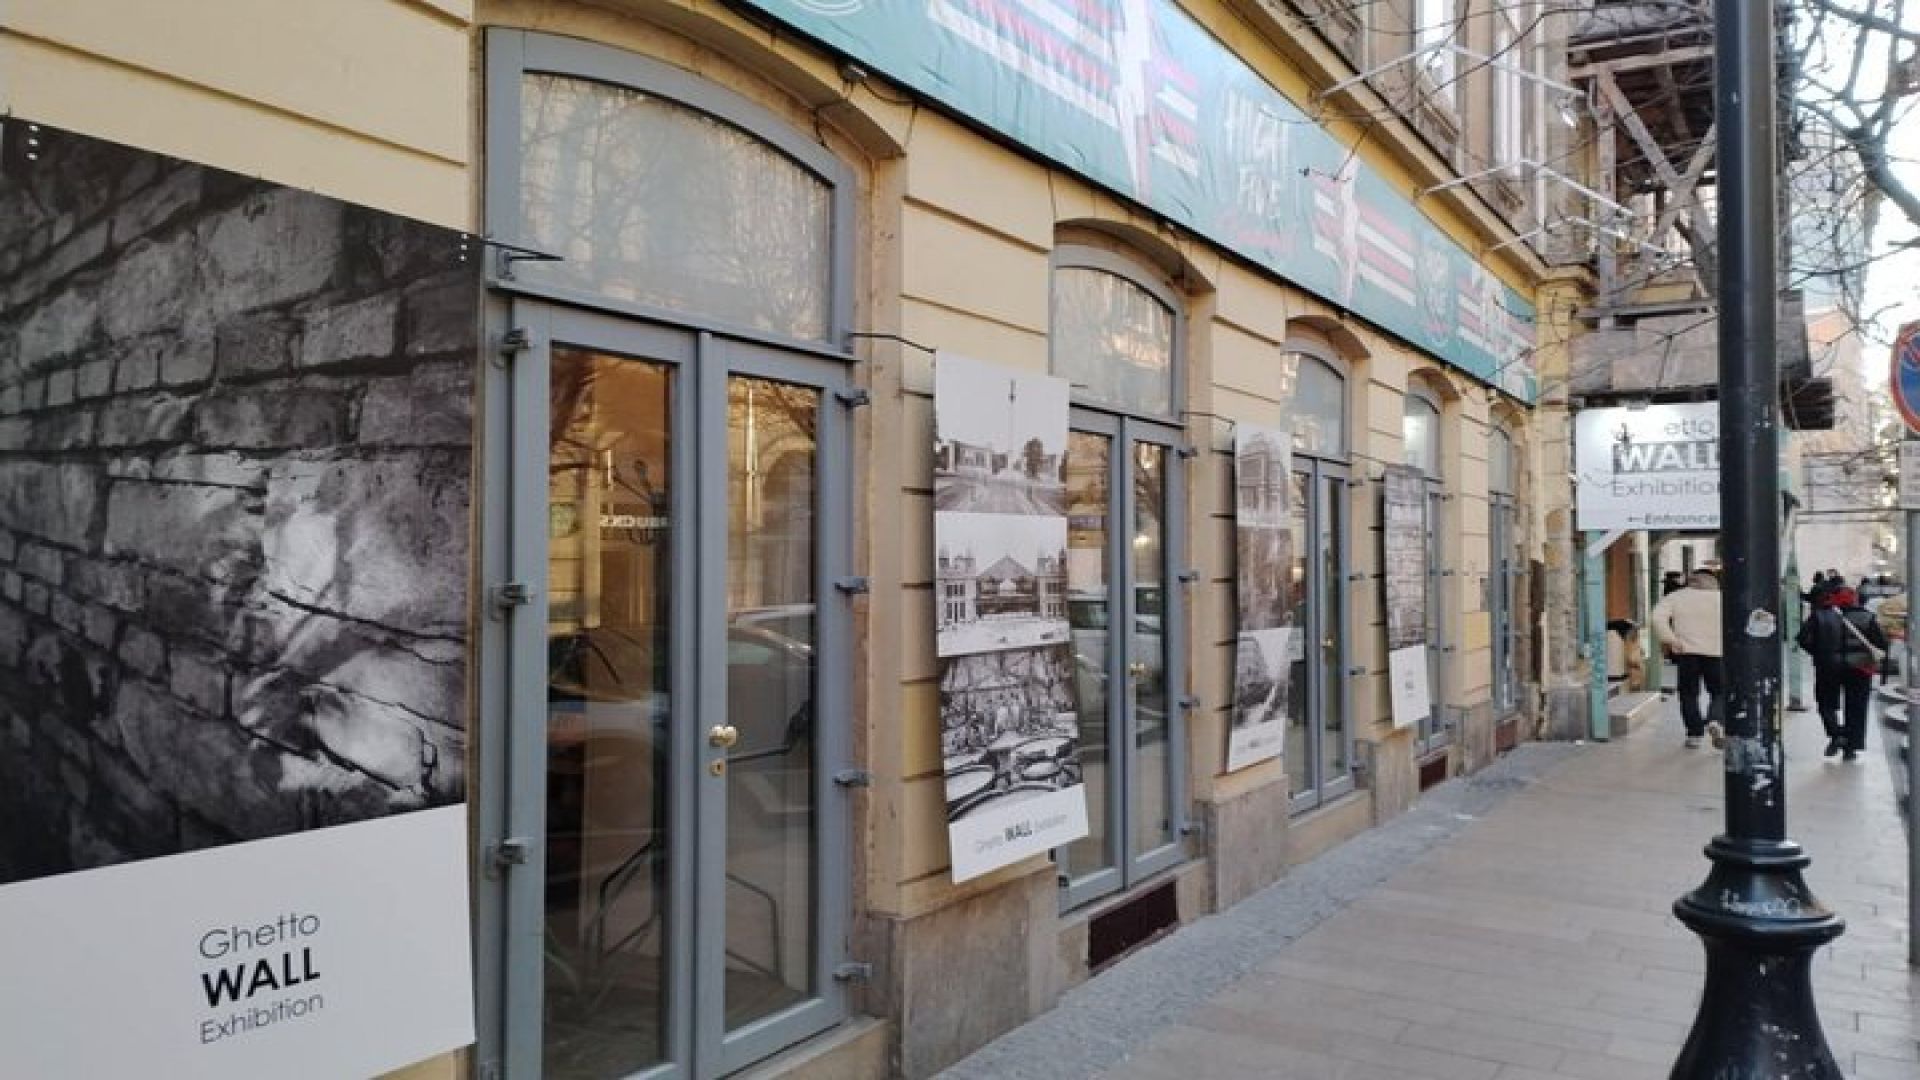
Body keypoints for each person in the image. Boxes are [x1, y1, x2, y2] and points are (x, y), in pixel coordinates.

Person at [1795, 586, 1888, 761]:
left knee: (1826, 703)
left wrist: (1818, 653)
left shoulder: (1821, 615)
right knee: (1856, 707)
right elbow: (1881, 643)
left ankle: (1836, 733)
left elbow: (1803, 639)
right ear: (1855, 599)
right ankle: (1851, 747)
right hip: (1860, 668)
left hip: (1828, 666)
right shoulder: (1867, 617)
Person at [1650, 569, 1723, 748]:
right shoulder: (1722, 597)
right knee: (1720, 691)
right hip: (1717, 652)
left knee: (1689, 694)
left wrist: (1670, 639)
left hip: (1686, 652)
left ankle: (1694, 734)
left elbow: (1657, 617)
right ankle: (1715, 719)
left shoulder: (1676, 596)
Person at [1605, 619, 1645, 690]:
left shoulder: (1635, 656)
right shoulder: (1634, 657)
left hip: (1623, 629)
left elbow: (1633, 648)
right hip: (1622, 629)